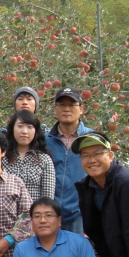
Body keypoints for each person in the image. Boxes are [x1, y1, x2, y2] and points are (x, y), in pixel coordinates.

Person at [45, 87, 94, 234]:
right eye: (62, 105)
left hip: (81, 215)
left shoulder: (92, 139)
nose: (67, 109)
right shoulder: (44, 141)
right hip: (49, 215)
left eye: (72, 105)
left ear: (81, 109)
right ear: (55, 109)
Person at [3, 110, 55, 203]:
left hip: (35, 215)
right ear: (12, 129)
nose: (24, 131)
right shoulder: (2, 158)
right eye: (20, 126)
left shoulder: (44, 160)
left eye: (30, 127)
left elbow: (47, 199)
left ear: (36, 131)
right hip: (7, 215)